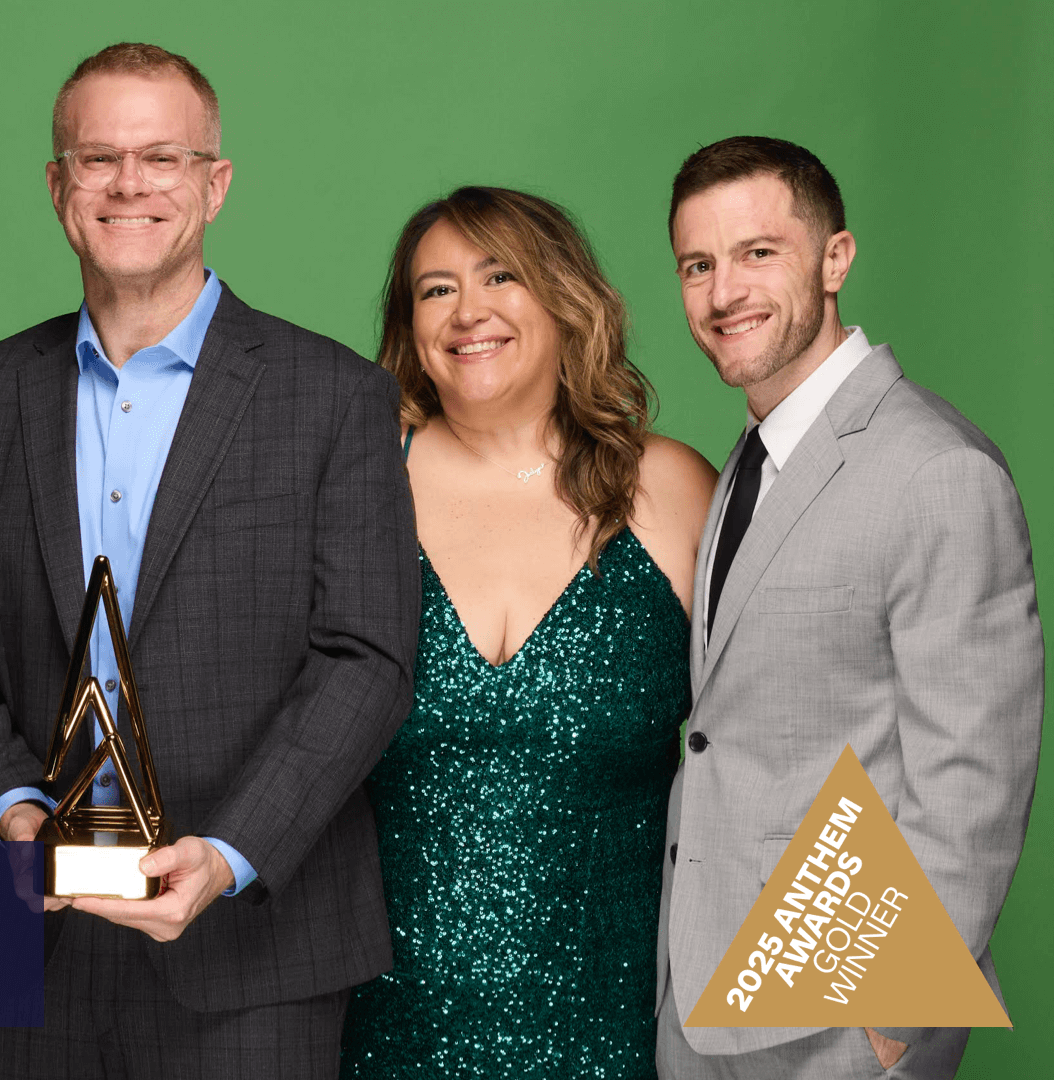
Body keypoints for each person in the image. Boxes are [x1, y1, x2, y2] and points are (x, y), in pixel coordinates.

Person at [0, 42, 418, 1079]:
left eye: (163, 158)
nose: (130, 185)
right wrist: (15, 812)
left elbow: (365, 659)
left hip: (254, 951)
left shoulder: (333, 399)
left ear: (215, 183)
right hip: (23, 942)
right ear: (58, 187)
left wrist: (231, 855)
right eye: (98, 159)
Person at [657, 137, 1042, 1079]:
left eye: (759, 253)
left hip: (836, 1011)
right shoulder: (751, 456)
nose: (723, 293)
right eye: (698, 265)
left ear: (836, 258)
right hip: (702, 996)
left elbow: (973, 778)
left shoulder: (933, 469)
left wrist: (892, 1016)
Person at [338, 187, 717, 1077]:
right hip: (380, 1029)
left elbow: (777, 745)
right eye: (435, 290)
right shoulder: (354, 489)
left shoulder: (671, 489)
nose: (468, 311)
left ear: (563, 297)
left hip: (618, 1028)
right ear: (410, 326)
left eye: (499, 275)